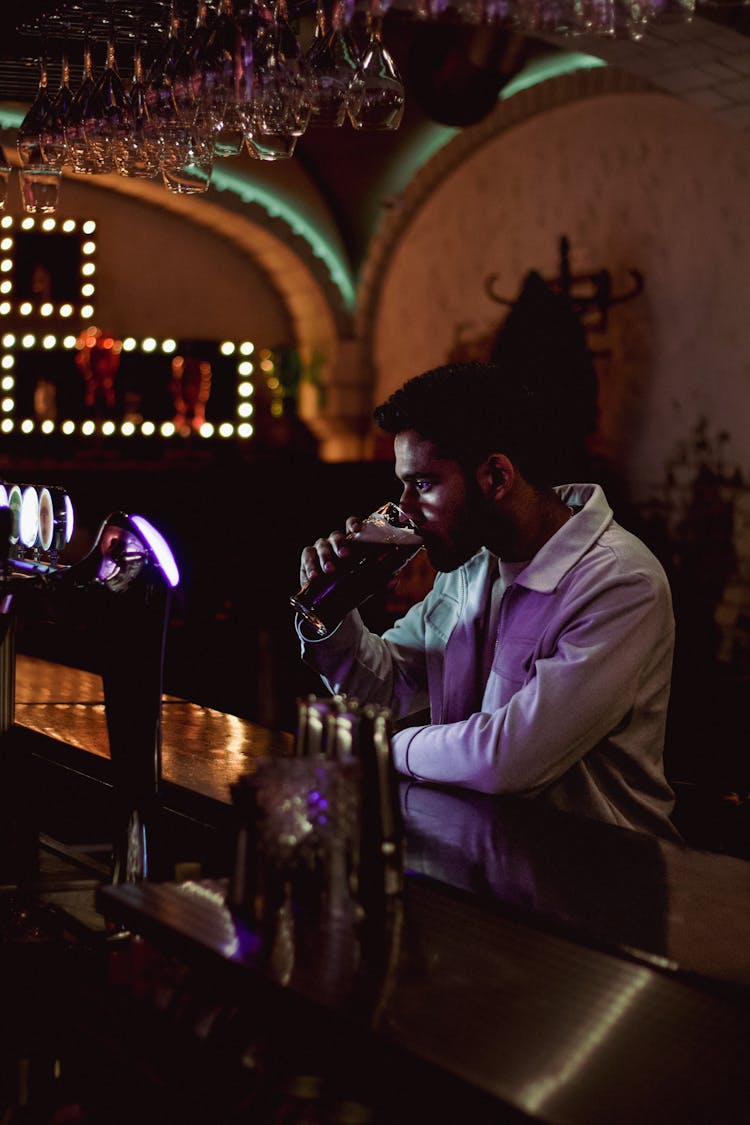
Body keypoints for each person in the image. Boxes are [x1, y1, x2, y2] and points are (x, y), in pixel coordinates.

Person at [295, 362, 679, 839]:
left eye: (422, 484)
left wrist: (383, 748)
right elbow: (388, 688)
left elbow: (509, 758)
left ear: (496, 477)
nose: (405, 508)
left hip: (603, 880)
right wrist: (333, 613)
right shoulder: (476, 564)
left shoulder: (619, 581)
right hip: (487, 856)